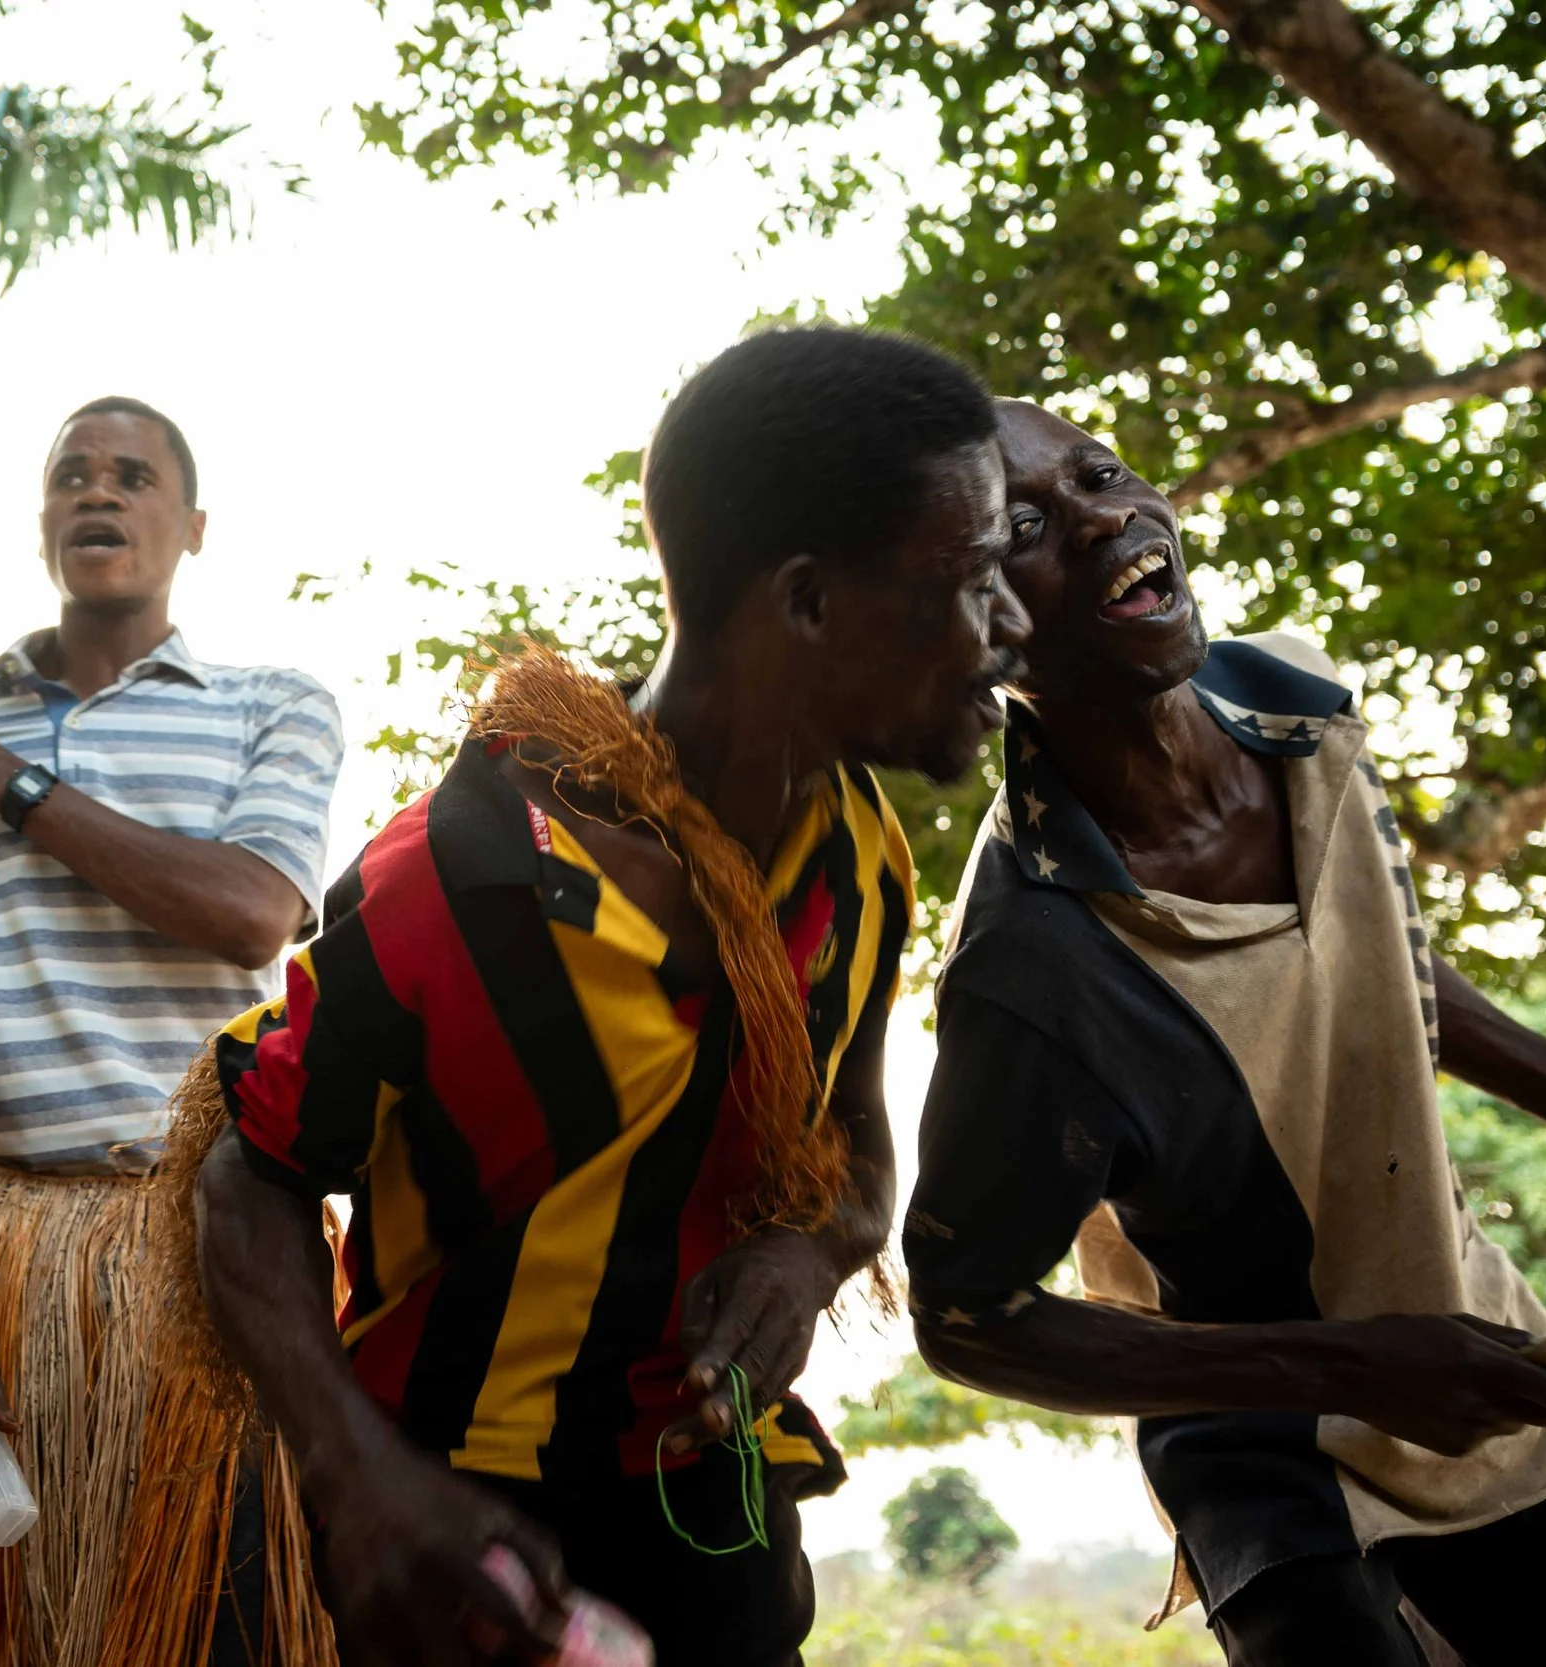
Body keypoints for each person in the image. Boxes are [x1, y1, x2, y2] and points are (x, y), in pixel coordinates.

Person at [183, 326, 1027, 1667]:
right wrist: (355, 1478)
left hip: (714, 1515)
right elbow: (250, 1176)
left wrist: (806, 1255)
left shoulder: (860, 853)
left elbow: (859, 1136)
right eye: (974, 577)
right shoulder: (462, 878)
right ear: (806, 602)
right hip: (456, 1541)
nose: (1013, 625)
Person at [901, 400, 1546, 1666]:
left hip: (1486, 1374)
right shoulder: (1032, 968)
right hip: (1264, 1465)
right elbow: (961, 1317)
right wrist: (1351, 1367)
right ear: (978, 626)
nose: (1104, 518)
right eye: (1027, 525)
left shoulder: (1300, 706)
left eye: (1102, 473)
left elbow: (1385, 973)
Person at [0, 398, 344, 1664]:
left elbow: (247, 912)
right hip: (13, 1241)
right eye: (71, 474)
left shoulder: (270, 703)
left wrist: (9, 785)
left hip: (220, 1242)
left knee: (235, 1616)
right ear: (42, 522)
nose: (98, 493)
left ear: (190, 525)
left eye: (132, 475)